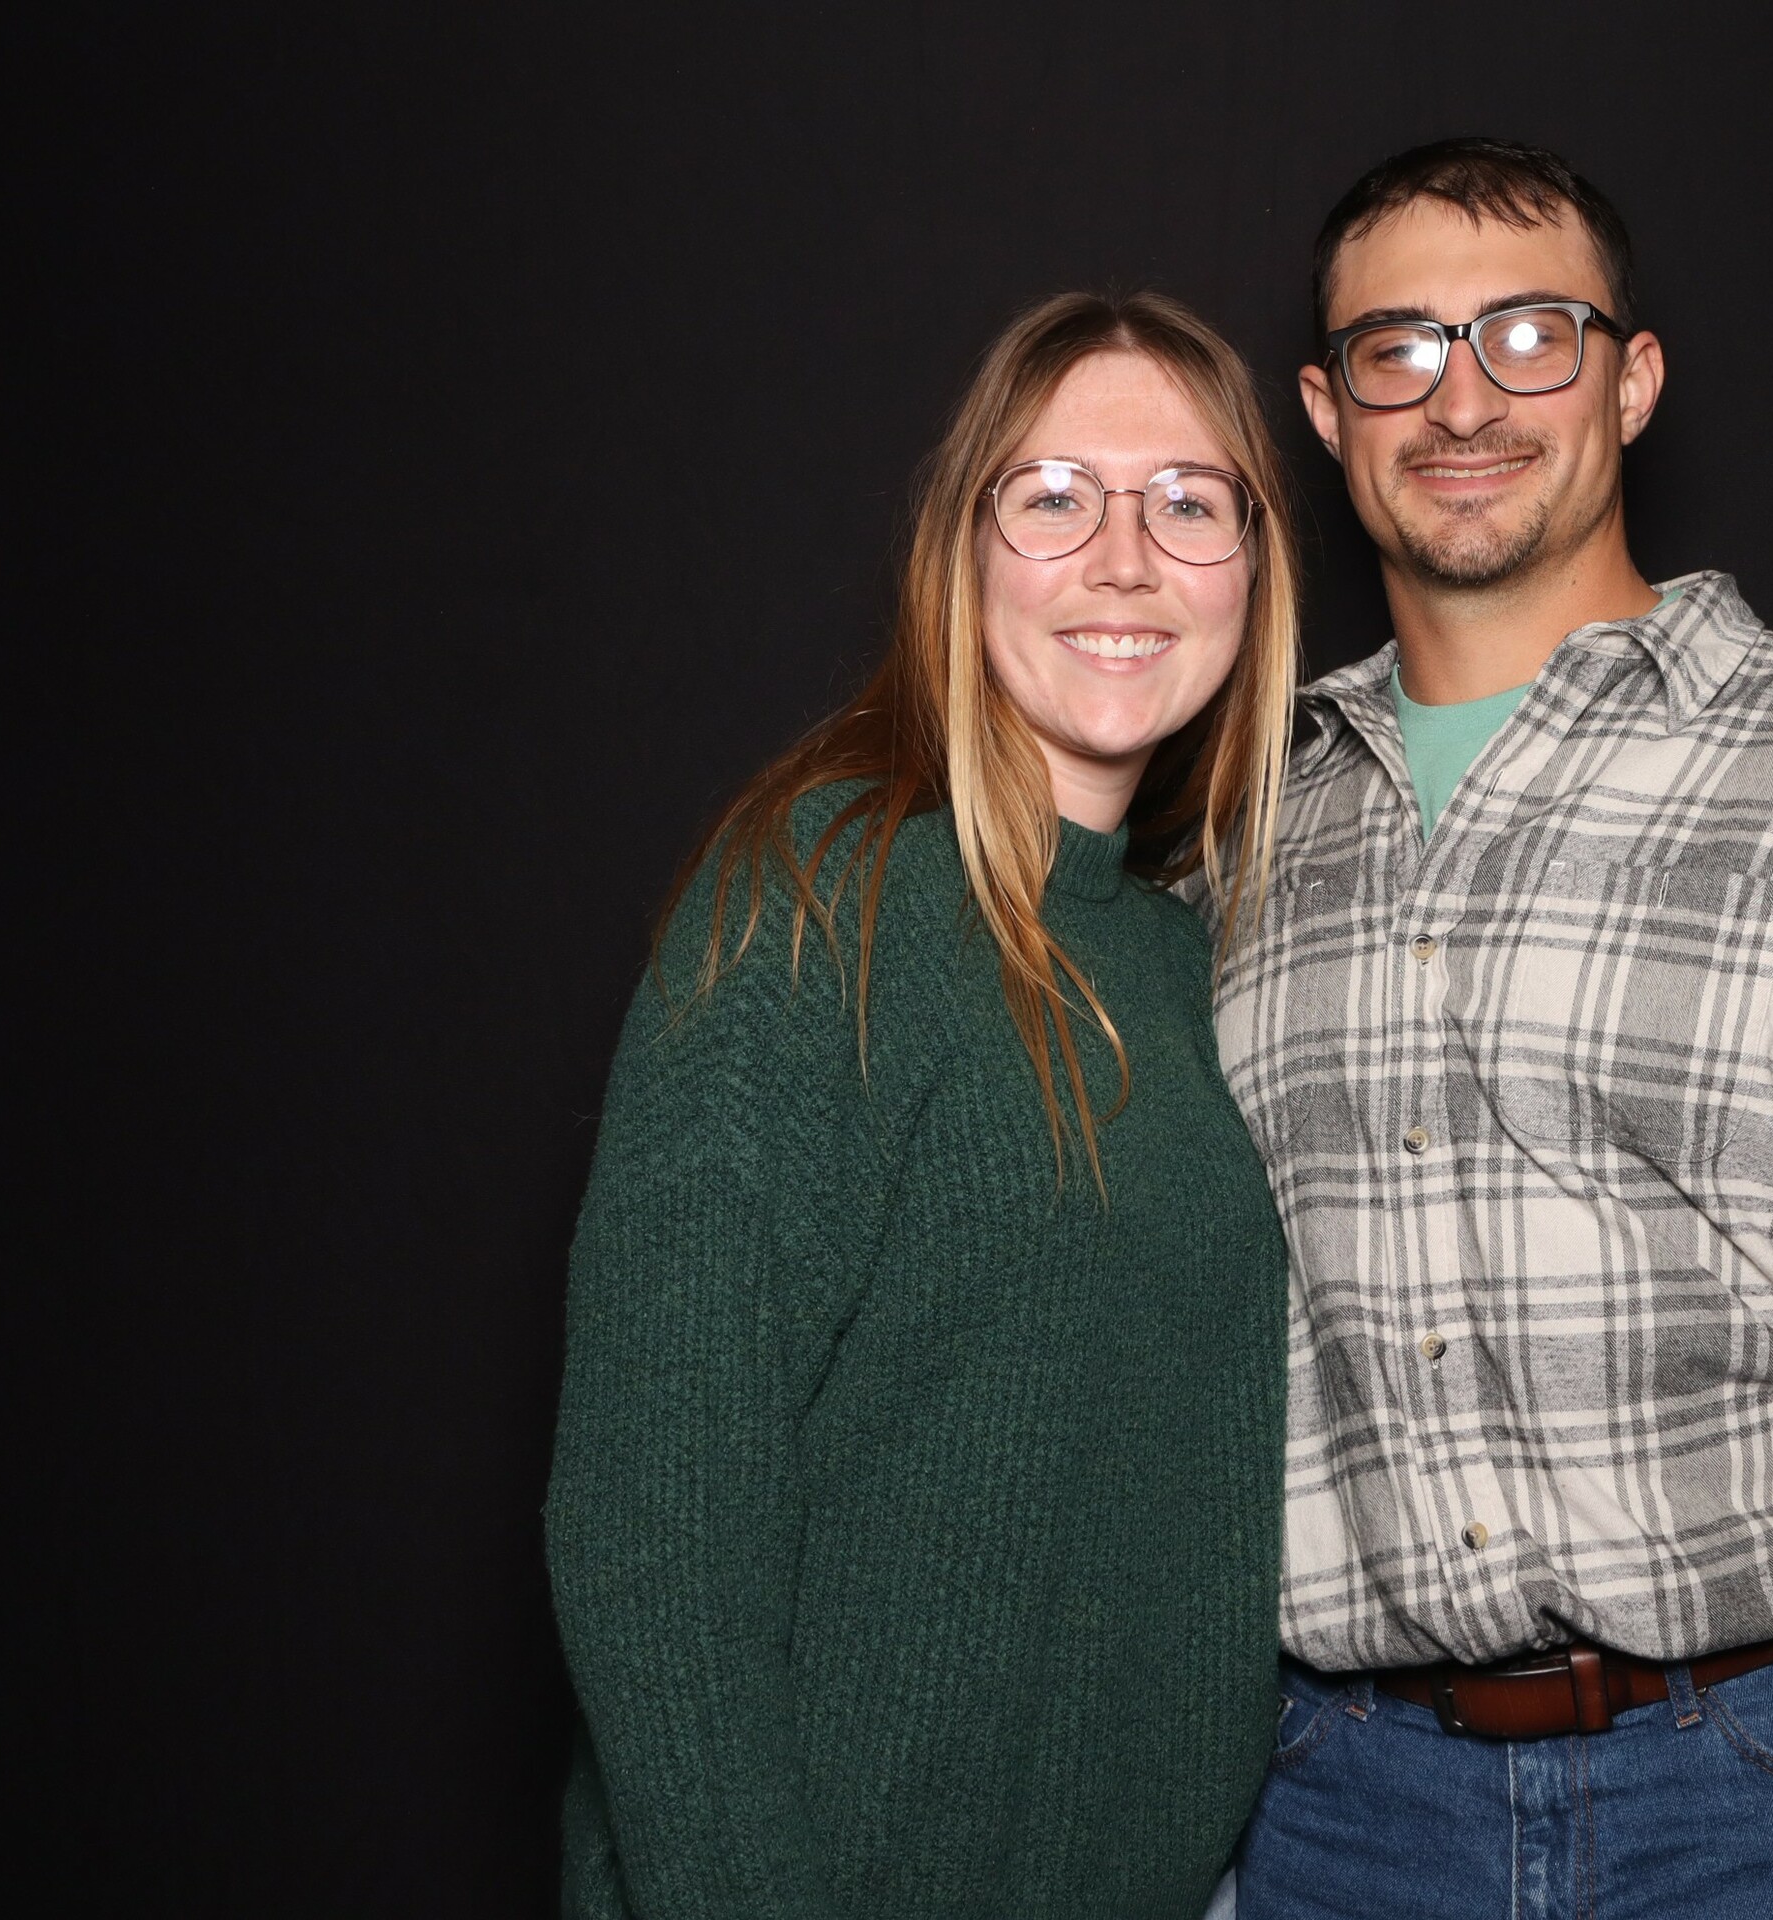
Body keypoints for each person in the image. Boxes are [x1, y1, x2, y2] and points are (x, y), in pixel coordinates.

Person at [1209, 139, 1773, 1919]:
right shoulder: (1236, 839)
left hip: (1753, 1804)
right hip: (1334, 1812)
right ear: (1328, 415)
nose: (1463, 399)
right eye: (1400, 348)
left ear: (1630, 380)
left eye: (1530, 335)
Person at [545, 291, 1301, 1920]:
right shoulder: (823, 898)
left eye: (1189, 503)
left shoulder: (1183, 957)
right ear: (964, 552)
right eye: (1054, 498)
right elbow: (654, 1514)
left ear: (1253, 567)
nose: (1125, 561)